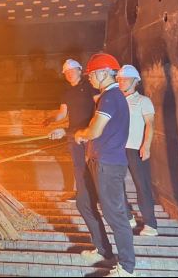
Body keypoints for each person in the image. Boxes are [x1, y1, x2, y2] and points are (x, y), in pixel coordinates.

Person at [75, 53, 136, 277]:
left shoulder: (111, 97)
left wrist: (81, 134)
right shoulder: (106, 97)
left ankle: (127, 268)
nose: (89, 78)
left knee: (115, 215)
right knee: (84, 203)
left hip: (109, 165)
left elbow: (95, 130)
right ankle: (103, 251)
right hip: (98, 161)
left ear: (103, 73)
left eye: (91, 74)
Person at [45, 59, 97, 203]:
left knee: (92, 165)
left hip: (89, 132)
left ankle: (97, 195)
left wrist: (95, 127)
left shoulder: (90, 87)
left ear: (80, 70)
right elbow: (62, 113)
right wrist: (51, 119)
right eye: (66, 72)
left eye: (72, 70)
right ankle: (82, 194)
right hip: (73, 133)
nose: (69, 74)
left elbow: (100, 105)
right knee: (78, 165)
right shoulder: (66, 92)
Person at [117, 65, 158, 236]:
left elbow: (150, 124)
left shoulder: (143, 101)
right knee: (115, 184)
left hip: (136, 148)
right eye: (119, 79)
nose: (121, 82)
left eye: (125, 79)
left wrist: (146, 146)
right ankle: (128, 217)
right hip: (117, 149)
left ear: (135, 81)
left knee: (142, 186)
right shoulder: (116, 100)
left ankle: (151, 225)